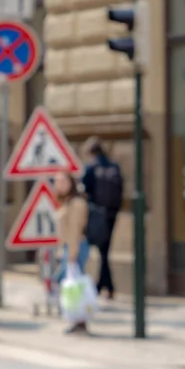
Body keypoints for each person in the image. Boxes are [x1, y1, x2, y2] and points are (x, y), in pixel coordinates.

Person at [80, 136, 123, 299]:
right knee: (104, 250)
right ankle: (104, 286)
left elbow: (84, 190)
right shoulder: (114, 167)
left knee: (103, 251)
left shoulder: (91, 168)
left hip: (97, 214)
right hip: (112, 213)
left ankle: (105, 287)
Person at [56, 172, 91, 334]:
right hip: (69, 247)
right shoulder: (67, 202)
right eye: (56, 181)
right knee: (72, 286)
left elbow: (75, 231)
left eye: (63, 181)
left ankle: (81, 320)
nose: (59, 184)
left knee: (75, 285)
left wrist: (71, 255)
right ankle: (77, 319)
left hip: (75, 247)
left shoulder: (76, 203)